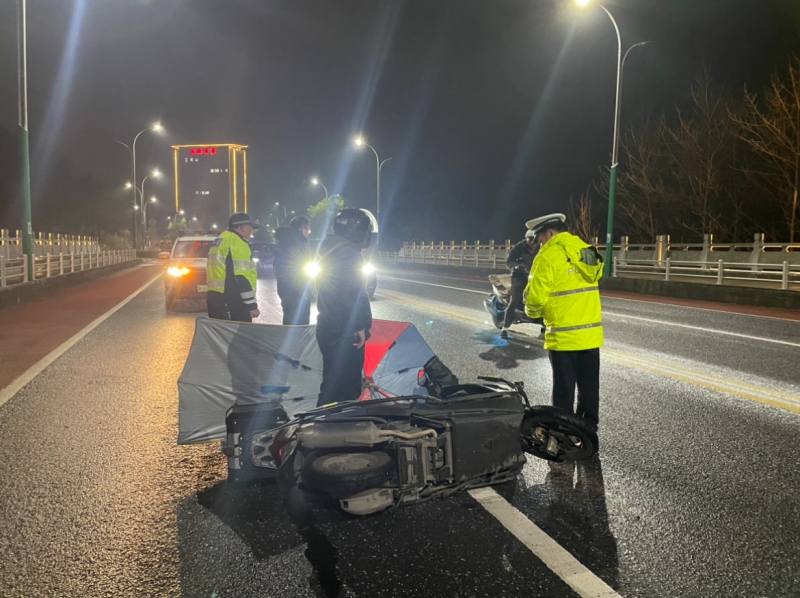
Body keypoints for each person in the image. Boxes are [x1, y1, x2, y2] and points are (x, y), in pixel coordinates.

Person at [524, 213, 604, 431]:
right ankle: (588, 429)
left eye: (541, 239)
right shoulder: (586, 250)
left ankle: (563, 431)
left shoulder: (547, 256)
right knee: (589, 387)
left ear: (550, 233)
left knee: (564, 389)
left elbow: (535, 297)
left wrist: (531, 312)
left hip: (563, 336)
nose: (540, 244)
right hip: (590, 336)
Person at [315, 208, 377, 406]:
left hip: (328, 325)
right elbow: (352, 294)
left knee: (332, 383)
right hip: (344, 329)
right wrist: (358, 326)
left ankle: (321, 420)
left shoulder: (331, 251)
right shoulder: (349, 255)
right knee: (346, 389)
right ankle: (335, 422)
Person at [206, 213, 261, 322]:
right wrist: (251, 305)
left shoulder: (220, 239)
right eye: (251, 227)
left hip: (215, 298)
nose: (252, 231)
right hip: (234, 301)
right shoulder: (238, 243)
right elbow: (240, 276)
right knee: (240, 332)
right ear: (243, 227)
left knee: (220, 332)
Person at [501, 228, 540, 339]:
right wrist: (516, 267)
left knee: (543, 300)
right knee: (514, 300)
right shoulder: (519, 248)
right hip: (519, 277)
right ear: (526, 239)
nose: (533, 242)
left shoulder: (541, 248)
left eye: (535, 240)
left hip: (535, 277)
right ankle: (505, 328)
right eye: (530, 239)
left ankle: (544, 326)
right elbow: (509, 261)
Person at [274, 216, 312, 325]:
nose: (309, 231)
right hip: (297, 291)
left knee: (291, 319)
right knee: (298, 321)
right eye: (307, 228)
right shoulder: (297, 244)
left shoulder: (287, 243)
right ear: (301, 229)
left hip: (288, 290)